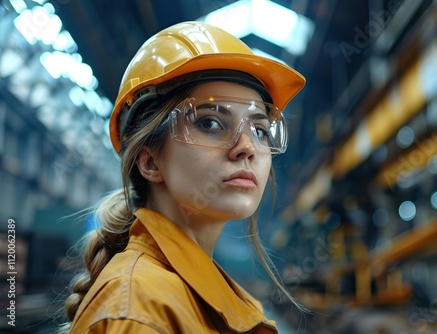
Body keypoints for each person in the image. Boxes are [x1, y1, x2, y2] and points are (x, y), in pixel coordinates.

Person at [60, 21, 306, 333]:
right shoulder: (137, 314)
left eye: (259, 129)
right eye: (211, 122)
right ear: (150, 162)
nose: (247, 148)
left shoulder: (185, 296)